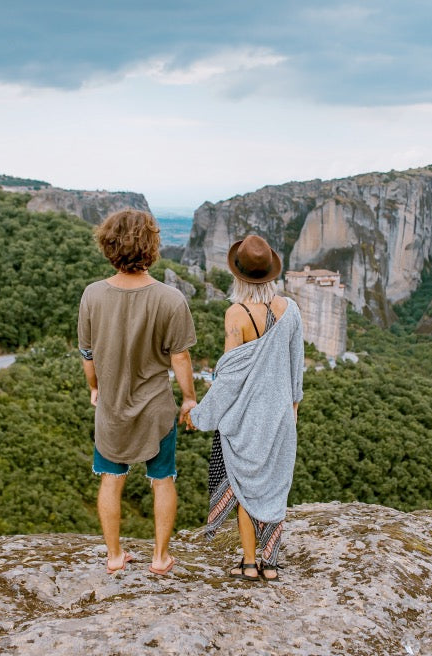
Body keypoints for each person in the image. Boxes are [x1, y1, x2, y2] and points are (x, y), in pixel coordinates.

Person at [77, 209, 198, 576]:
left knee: (110, 480)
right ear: (151, 246)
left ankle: (114, 556)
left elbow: (87, 354)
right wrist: (190, 397)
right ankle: (160, 558)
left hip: (111, 407)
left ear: (108, 244)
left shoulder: (92, 295)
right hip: (156, 409)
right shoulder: (170, 299)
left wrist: (95, 388)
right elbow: (180, 356)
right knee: (163, 480)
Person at [188, 234, 304, 581]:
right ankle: (271, 563)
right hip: (281, 415)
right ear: (271, 273)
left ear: (239, 275)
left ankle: (250, 563)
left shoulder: (235, 314)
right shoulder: (291, 310)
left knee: (243, 487)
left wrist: (200, 415)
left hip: (245, 418)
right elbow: (296, 367)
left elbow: (228, 378)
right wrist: (293, 410)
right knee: (274, 484)